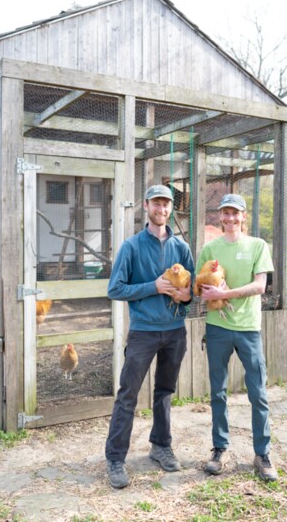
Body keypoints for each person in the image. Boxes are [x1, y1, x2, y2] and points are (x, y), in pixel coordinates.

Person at [105, 184, 194, 489]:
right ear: (146, 206)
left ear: (172, 208)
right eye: (156, 203)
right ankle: (116, 458)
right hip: (143, 332)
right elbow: (115, 289)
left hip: (174, 332)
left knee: (165, 392)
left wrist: (184, 296)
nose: (162, 209)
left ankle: (160, 446)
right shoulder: (131, 247)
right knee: (128, 395)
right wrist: (152, 287)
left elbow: (190, 292)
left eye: (167, 204)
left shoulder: (181, 248)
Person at [197, 193, 277, 481]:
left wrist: (224, 293)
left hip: (248, 328)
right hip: (217, 326)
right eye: (225, 213)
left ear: (244, 216)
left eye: (235, 213)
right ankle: (220, 448)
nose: (230, 218)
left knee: (258, 392)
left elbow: (259, 286)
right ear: (219, 216)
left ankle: (262, 454)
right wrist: (212, 287)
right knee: (218, 391)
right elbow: (201, 286)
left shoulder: (257, 245)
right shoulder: (211, 248)